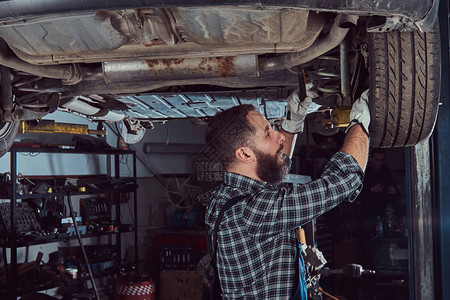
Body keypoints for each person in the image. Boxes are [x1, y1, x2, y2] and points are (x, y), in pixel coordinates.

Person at [204, 89, 370, 299]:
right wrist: (361, 121)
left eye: (272, 128)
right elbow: (343, 181)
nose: (279, 136)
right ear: (244, 154)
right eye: (268, 133)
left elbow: (270, 175)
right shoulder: (252, 212)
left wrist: (293, 122)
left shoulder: (226, 196)